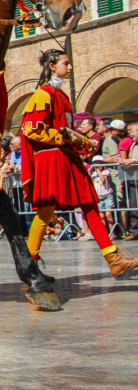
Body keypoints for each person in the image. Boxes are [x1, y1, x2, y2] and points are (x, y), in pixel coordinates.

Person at [21, 50, 138, 278]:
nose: (71, 67)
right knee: (46, 211)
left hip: (67, 157)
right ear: (52, 66)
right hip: (52, 158)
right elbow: (31, 128)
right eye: (66, 63)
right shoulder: (43, 93)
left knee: (90, 205)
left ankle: (113, 259)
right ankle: (29, 265)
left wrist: (82, 141)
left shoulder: (62, 96)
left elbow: (68, 131)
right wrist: (68, 138)